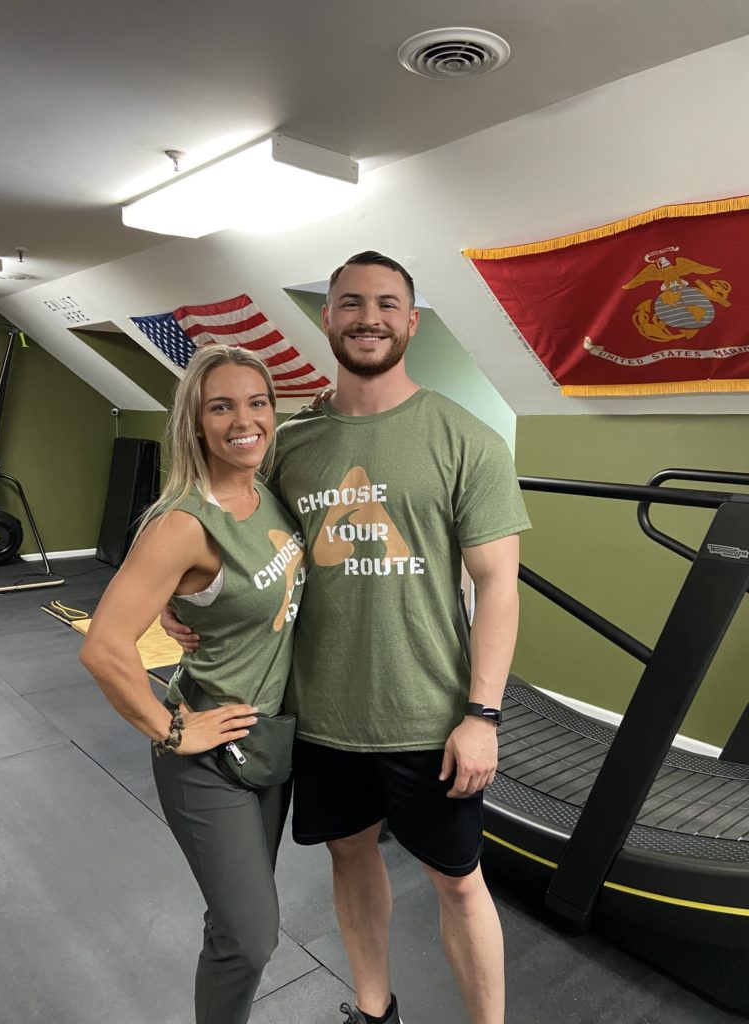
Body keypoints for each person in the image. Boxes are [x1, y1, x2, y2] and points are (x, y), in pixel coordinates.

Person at [165, 252, 530, 1024]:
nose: (370, 317)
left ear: (412, 322)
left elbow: (499, 585)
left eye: (388, 304)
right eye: (352, 303)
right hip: (322, 713)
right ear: (327, 318)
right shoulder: (288, 444)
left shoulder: (465, 439)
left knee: (460, 882)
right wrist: (179, 600)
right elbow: (234, 532)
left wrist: (483, 714)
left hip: (429, 716)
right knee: (349, 853)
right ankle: (373, 1011)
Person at [80, 344, 305, 1024]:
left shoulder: (267, 493)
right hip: (209, 755)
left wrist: (188, 606)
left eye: (258, 402)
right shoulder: (182, 523)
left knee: (235, 922)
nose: (245, 420)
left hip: (266, 743)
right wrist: (173, 728)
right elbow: (104, 647)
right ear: (196, 422)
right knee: (252, 935)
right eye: (222, 406)